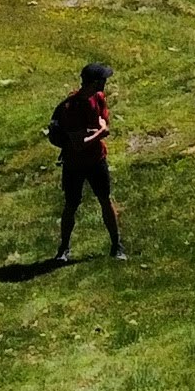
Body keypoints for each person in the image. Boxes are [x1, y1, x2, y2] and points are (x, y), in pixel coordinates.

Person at [48, 59, 123, 260]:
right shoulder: (71, 108)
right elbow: (79, 143)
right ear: (95, 82)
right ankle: (64, 248)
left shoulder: (98, 97)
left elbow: (103, 120)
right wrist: (101, 132)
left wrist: (99, 129)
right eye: (103, 79)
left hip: (97, 159)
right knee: (71, 204)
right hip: (75, 164)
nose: (105, 83)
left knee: (105, 200)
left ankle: (117, 244)